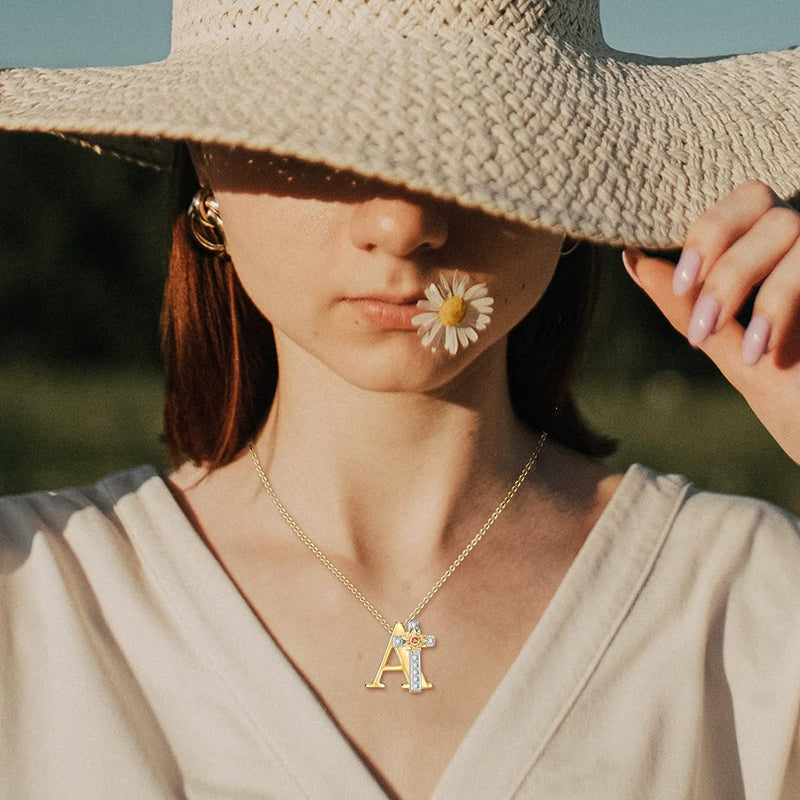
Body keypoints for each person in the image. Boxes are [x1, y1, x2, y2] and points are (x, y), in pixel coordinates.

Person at [1, 1, 799, 798]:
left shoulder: (755, 603)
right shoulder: (31, 596)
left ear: (576, 176)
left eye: (484, 131)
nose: (404, 220)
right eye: (313, 133)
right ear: (205, 162)